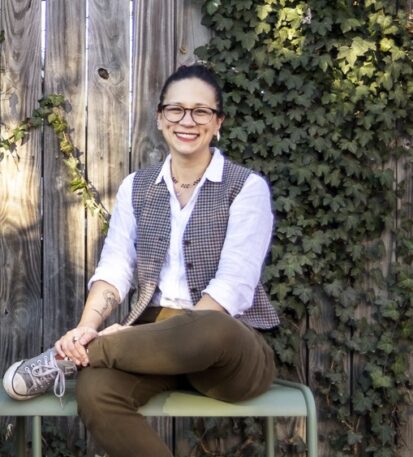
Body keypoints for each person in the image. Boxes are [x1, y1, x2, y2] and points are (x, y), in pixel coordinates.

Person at [3, 64, 280, 457]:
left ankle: (71, 358)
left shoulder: (245, 187)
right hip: (151, 344)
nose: (187, 121)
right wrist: (87, 326)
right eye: (176, 110)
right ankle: (83, 351)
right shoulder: (138, 187)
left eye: (201, 111)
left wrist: (108, 342)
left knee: (211, 329)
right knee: (96, 391)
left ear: (218, 122)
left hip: (227, 351)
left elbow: (235, 285)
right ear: (160, 118)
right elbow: (115, 268)